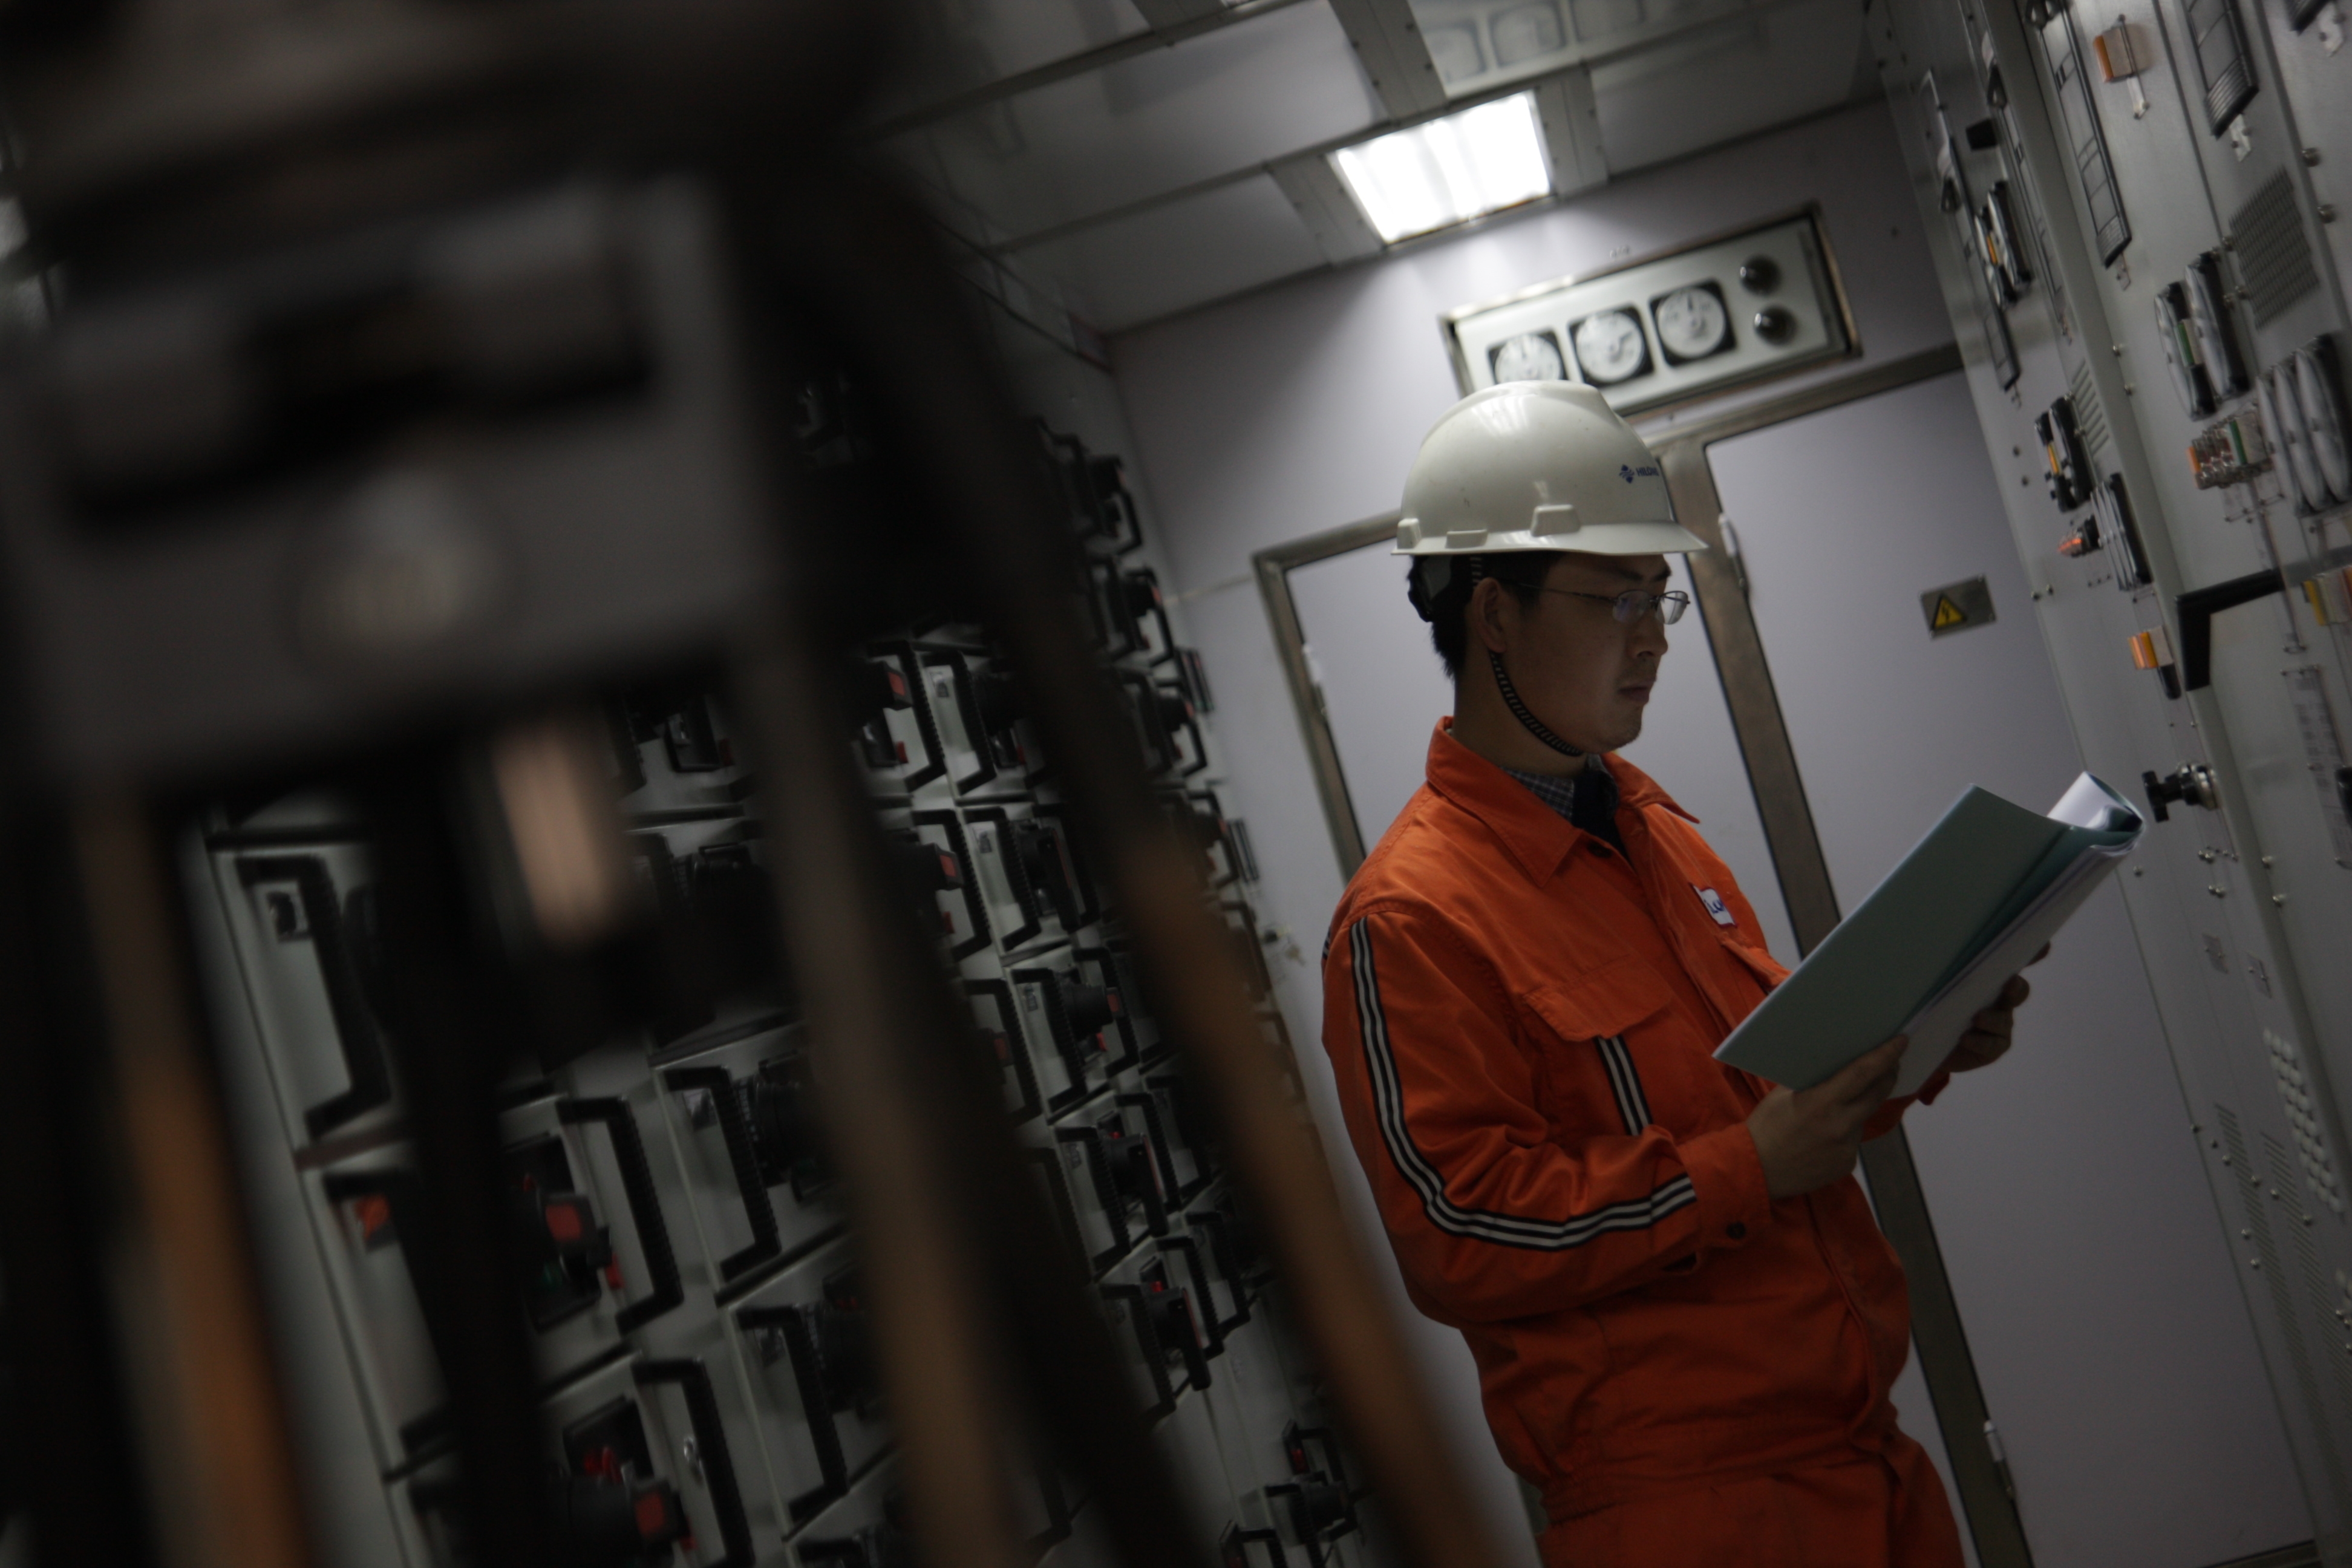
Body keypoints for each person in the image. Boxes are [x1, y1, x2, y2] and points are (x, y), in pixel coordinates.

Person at [1317, 381, 2033, 1567]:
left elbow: (1774, 1094)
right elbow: (1460, 1232)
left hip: (1862, 1456)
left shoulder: (1652, 830)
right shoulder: (1410, 918)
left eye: (1660, 597)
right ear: (1492, 615)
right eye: (1616, 598)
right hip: (1687, 1515)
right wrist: (1744, 1169)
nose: (1652, 635)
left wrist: (1932, 1031)